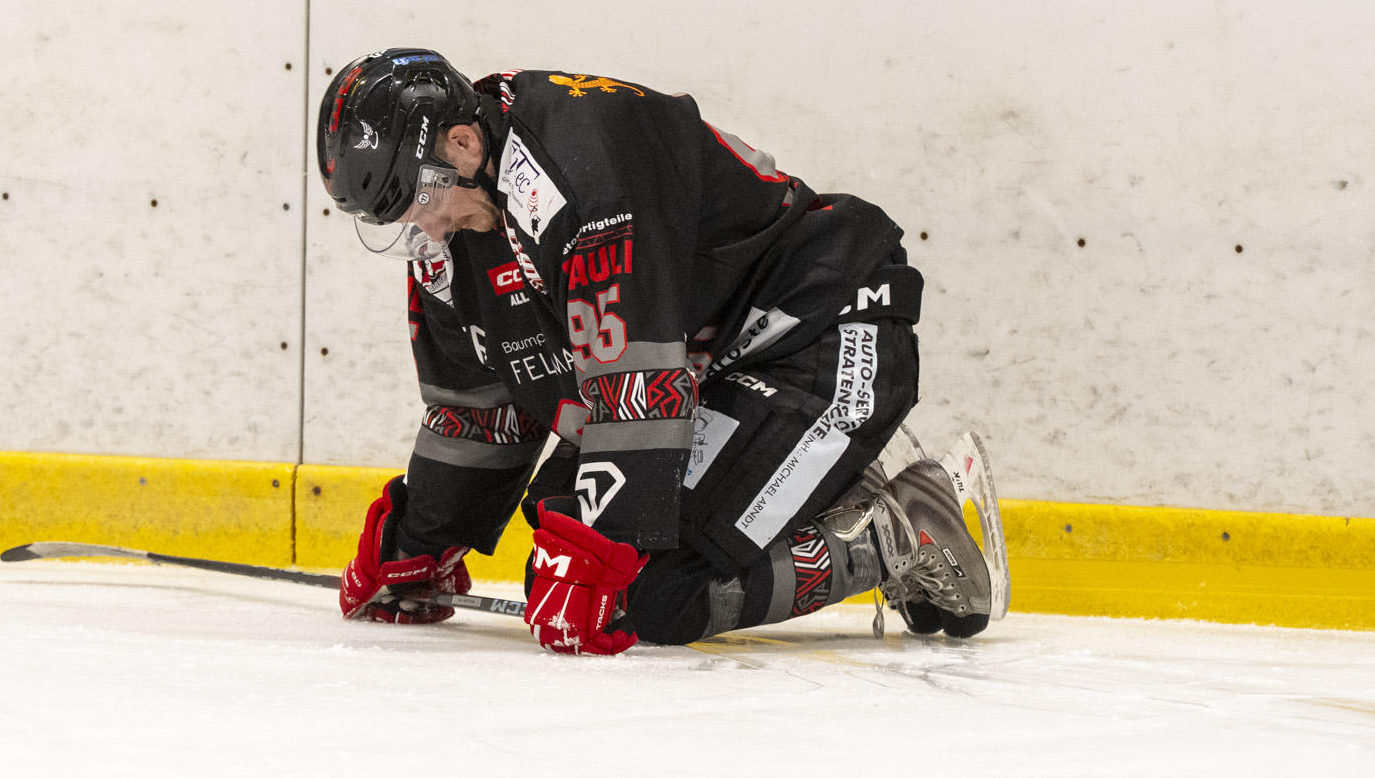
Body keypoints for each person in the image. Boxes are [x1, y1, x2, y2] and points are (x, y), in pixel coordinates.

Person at [316, 49, 1007, 655]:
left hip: (819, 335)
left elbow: (637, 386)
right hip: (705, 371)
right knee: (557, 563)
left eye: (414, 197)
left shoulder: (582, 159)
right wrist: (420, 545)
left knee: (646, 593)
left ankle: (900, 531)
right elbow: (481, 407)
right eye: (391, 214)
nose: (418, 224)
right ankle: (807, 485)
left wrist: (601, 558)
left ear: (462, 144)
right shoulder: (452, 233)